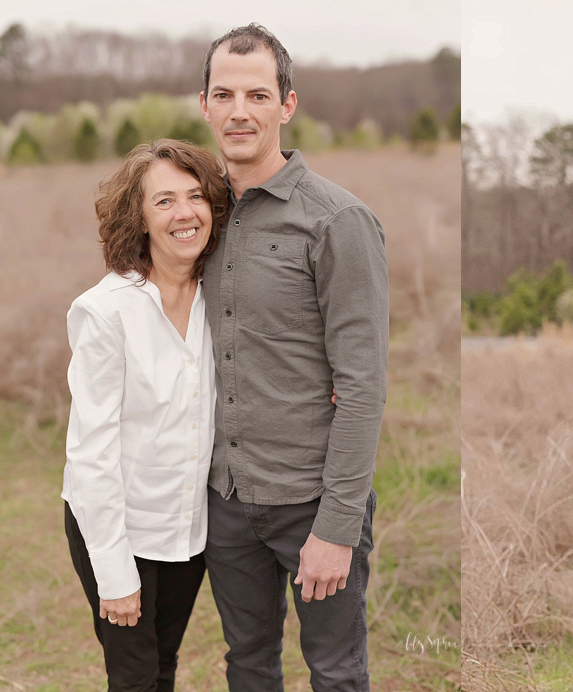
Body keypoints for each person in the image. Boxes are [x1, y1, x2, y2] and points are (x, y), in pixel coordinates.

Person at [196, 23, 388, 690]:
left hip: (312, 501)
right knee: (247, 665)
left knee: (334, 672)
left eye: (257, 94)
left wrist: (336, 526)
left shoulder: (337, 221)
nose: (239, 111)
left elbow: (362, 387)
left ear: (286, 105)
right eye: (225, 94)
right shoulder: (199, 218)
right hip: (225, 500)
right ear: (205, 106)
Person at [63, 138, 229, 690]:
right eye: (164, 201)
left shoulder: (222, 298)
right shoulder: (106, 312)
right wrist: (114, 573)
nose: (185, 213)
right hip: (117, 526)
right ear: (138, 217)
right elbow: (91, 452)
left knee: (162, 666)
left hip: (186, 529)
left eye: (196, 196)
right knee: (133, 675)